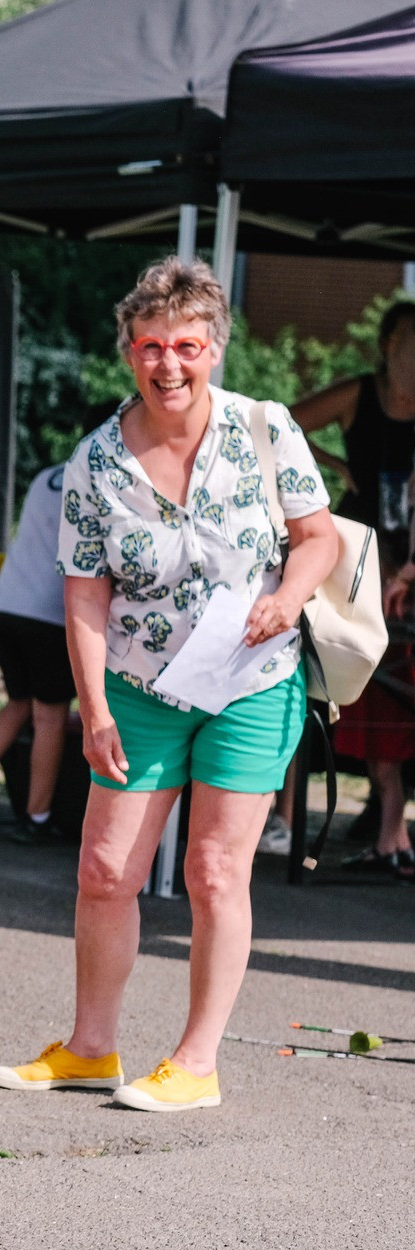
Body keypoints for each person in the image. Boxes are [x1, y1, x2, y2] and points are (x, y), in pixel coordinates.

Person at [0, 256, 337, 1114]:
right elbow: (83, 594)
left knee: (216, 870)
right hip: (141, 686)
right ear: (129, 352)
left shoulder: (264, 426)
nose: (168, 364)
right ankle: (90, 1048)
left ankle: (196, 1061)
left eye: (186, 345)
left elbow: (318, 536)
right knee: (106, 870)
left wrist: (289, 597)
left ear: (214, 347)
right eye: (151, 346)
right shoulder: (97, 462)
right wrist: (94, 708)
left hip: (252, 680)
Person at [292, 301, 415, 875]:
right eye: (410, 342)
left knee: (397, 685)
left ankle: (389, 820)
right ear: (389, 344)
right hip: (355, 559)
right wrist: (335, 466)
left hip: (408, 564)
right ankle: (292, 817)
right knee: (332, 673)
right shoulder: (360, 394)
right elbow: (284, 425)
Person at [0, 457, 82, 840]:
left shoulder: (47, 473)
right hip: (50, 610)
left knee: (19, 701)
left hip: (7, 602)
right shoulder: (105, 473)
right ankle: (37, 817)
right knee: (50, 717)